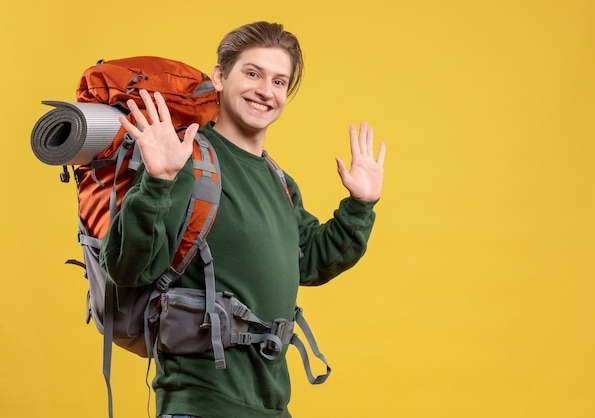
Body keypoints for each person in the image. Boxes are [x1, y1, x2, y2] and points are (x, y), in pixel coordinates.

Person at [101, 21, 385, 418]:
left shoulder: (278, 180)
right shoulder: (187, 162)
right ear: (220, 76)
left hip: (269, 404)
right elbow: (126, 268)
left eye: (279, 81)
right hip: (201, 403)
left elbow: (311, 260)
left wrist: (360, 204)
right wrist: (158, 181)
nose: (265, 91)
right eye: (252, 73)